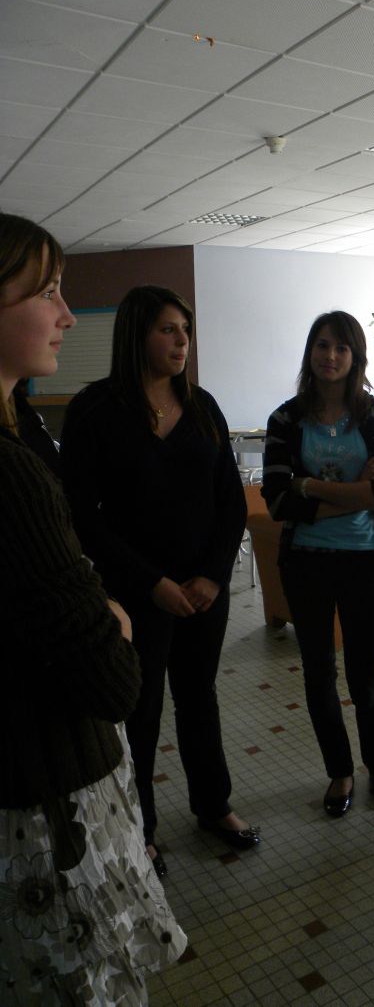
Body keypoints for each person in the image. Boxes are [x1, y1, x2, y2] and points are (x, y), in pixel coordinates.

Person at [0, 213, 186, 1004]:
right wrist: (115, 614)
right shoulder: (14, 469)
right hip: (43, 793)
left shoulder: (25, 432)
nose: (68, 315)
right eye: (47, 292)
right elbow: (113, 684)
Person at [60, 285, 259, 878]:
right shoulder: (95, 410)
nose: (182, 341)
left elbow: (231, 503)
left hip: (202, 592)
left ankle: (213, 805)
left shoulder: (201, 406)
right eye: (168, 329)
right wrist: (152, 583)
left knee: (199, 697)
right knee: (140, 711)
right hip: (136, 594)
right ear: (136, 334)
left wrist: (214, 577)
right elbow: (82, 517)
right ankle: (140, 828)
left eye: (186, 330)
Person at [262, 311, 374, 817]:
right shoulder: (285, 420)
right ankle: (340, 772)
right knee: (319, 675)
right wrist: (355, 490)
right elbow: (278, 501)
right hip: (306, 564)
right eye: (322, 345)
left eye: (342, 348)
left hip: (365, 562)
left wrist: (311, 485)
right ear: (310, 352)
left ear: (355, 357)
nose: (330, 356)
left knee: (366, 677)